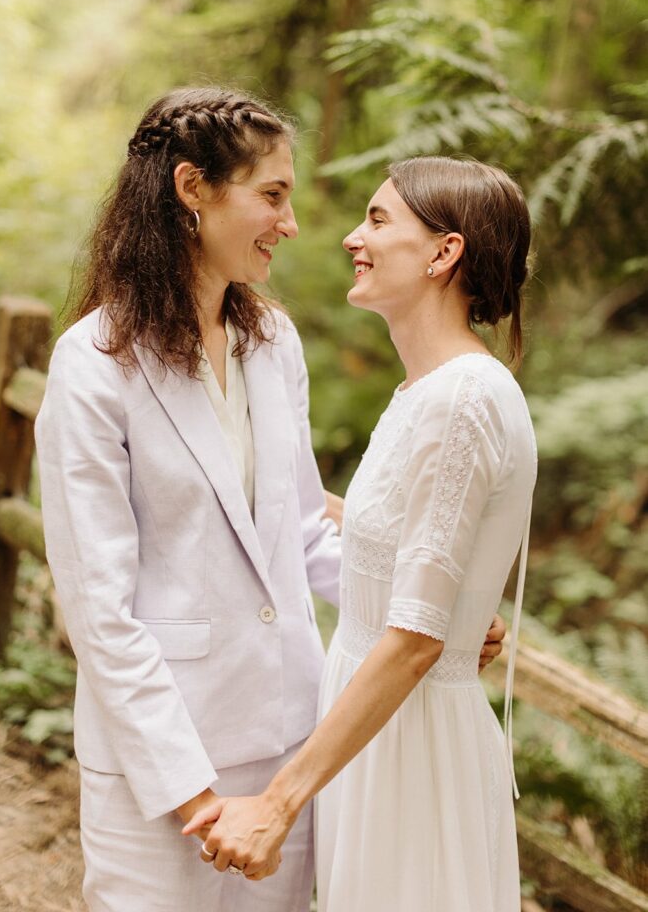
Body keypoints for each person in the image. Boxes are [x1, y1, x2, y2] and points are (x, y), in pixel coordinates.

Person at [35, 88, 507, 912]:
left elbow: (296, 532)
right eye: (271, 195)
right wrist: (193, 798)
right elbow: (96, 611)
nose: (290, 223)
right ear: (192, 189)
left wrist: (418, 602)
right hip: (161, 764)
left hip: (288, 732)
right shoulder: (93, 364)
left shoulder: (273, 342)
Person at [185, 155, 537, 912]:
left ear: (444, 253)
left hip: (410, 751)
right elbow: (389, 536)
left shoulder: (463, 401)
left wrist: (276, 804)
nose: (352, 236)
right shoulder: (424, 390)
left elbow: (412, 640)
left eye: (377, 220)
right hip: (375, 739)